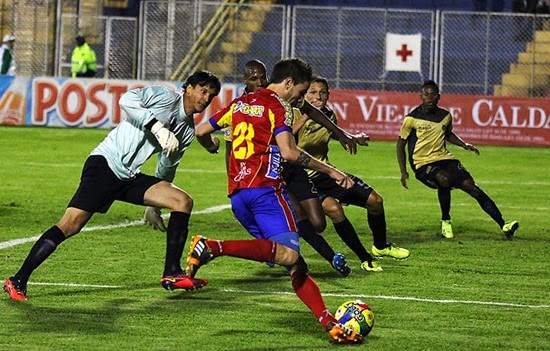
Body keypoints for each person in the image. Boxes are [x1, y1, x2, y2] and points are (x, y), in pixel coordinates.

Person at [3, 70, 221, 301]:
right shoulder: (165, 97)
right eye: (203, 90)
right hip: (105, 165)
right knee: (70, 225)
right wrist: (157, 127)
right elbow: (126, 100)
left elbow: (167, 165)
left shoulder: (186, 130)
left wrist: (155, 207)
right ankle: (17, 280)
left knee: (182, 201)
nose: (206, 99)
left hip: (128, 176)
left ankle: (172, 273)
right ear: (188, 88)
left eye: (211, 95)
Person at [189, 58, 363, 344]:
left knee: (294, 263)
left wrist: (212, 147)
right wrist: (332, 170)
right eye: (302, 91)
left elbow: (201, 132)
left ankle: (329, 322)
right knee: (289, 256)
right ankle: (211, 247)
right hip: (266, 192)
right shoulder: (279, 106)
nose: (301, 97)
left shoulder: (240, 103)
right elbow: (290, 153)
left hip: (239, 196)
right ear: (289, 83)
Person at [296, 76, 409, 270]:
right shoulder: (295, 113)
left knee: (375, 201)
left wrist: (355, 138)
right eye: (313, 92)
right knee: (333, 209)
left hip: (326, 173)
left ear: (329, 95)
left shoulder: (329, 115)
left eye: (322, 92)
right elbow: (284, 140)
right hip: (302, 179)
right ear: (305, 95)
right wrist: (308, 113)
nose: (318, 96)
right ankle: (365, 259)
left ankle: (380, 247)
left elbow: (334, 133)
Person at [396, 80, 519, 239]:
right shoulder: (411, 118)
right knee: (444, 179)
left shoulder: (445, 116)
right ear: (421, 96)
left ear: (439, 96)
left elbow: (447, 135)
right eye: (426, 94)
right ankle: (446, 220)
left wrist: (463, 144)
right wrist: (404, 171)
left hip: (444, 158)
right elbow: (400, 145)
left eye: (433, 94)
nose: (429, 98)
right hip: (422, 163)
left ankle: (504, 225)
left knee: (472, 187)